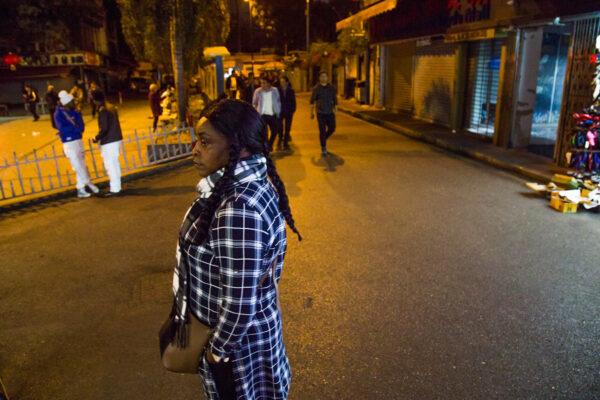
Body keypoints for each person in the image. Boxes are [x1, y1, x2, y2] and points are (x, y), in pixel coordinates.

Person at [175, 99, 300, 400]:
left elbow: (239, 302)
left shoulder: (238, 208)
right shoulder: (248, 185)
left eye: (205, 141)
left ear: (238, 146)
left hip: (238, 352)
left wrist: (216, 352)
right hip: (250, 337)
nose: (194, 149)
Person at [54, 90, 100, 198]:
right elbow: (63, 129)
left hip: (78, 140)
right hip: (69, 143)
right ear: (66, 103)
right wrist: (75, 129)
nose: (74, 103)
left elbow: (82, 127)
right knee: (77, 166)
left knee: (81, 165)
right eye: (72, 102)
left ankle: (80, 189)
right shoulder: (58, 114)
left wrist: (75, 128)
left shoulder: (75, 111)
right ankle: (89, 184)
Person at [92, 91, 123, 197]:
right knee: (115, 163)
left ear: (96, 100)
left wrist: (96, 138)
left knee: (110, 165)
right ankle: (117, 186)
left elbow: (104, 128)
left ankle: (115, 189)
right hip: (116, 138)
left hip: (109, 141)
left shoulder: (103, 110)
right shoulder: (111, 107)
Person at [310, 71, 338, 157]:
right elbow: (312, 101)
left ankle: (323, 139)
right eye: (322, 76)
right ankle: (323, 147)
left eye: (325, 76)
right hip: (320, 113)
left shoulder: (331, 88)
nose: (323, 78)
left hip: (330, 112)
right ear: (319, 78)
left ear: (327, 78)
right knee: (322, 130)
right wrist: (311, 113)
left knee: (332, 128)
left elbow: (335, 100)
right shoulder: (316, 88)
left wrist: (336, 110)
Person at [252, 77, 281, 151]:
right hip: (262, 115)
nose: (262, 85)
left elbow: (278, 100)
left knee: (275, 130)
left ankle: (270, 144)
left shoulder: (275, 90)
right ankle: (266, 147)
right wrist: (256, 111)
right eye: (261, 83)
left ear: (268, 83)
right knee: (264, 133)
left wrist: (278, 110)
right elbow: (254, 102)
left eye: (264, 83)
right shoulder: (258, 91)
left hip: (272, 114)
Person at [278, 76, 296, 150]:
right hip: (280, 111)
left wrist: (292, 110)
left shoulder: (291, 90)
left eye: (283, 82)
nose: (282, 83)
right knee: (280, 126)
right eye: (281, 82)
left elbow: (293, 101)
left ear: (287, 82)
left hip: (288, 111)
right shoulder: (277, 90)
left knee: (287, 127)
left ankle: (285, 142)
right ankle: (280, 137)